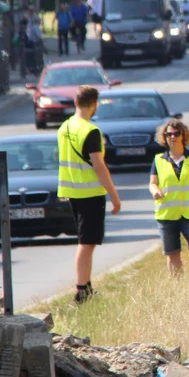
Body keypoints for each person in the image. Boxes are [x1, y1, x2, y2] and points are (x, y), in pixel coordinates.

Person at [57, 86, 122, 304]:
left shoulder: (64, 128)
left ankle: (87, 285)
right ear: (94, 104)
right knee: (87, 242)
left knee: (87, 241)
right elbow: (99, 166)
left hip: (73, 191)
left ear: (76, 102)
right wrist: (113, 194)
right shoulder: (90, 131)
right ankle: (81, 290)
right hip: (90, 192)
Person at [148, 118, 189, 275]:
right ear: (164, 137)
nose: (172, 137)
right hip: (167, 215)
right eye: (169, 134)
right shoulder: (158, 160)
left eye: (176, 134)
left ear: (183, 135)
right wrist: (155, 190)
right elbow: (152, 183)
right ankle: (179, 287)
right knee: (173, 254)